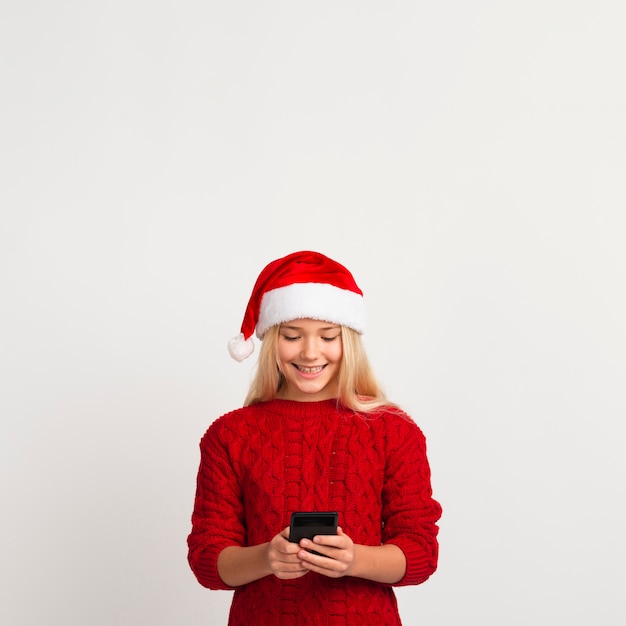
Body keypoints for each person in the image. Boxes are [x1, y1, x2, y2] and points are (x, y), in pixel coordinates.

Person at [187, 250, 442, 625]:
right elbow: (208, 559)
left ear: (348, 341)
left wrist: (354, 559)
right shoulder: (229, 435)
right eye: (292, 336)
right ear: (272, 340)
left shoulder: (393, 430)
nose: (310, 352)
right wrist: (267, 558)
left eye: (327, 336)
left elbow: (420, 552)